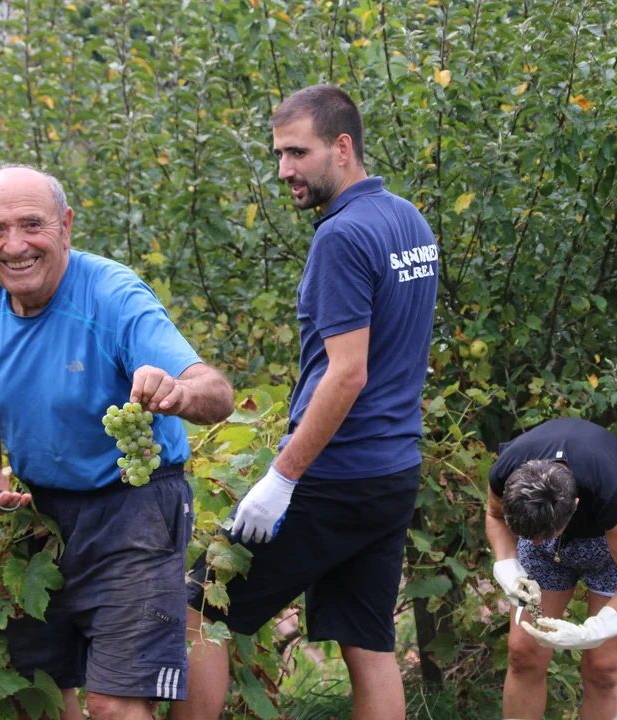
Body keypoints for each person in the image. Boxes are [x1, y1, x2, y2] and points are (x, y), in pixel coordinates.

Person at [172, 85, 438, 720]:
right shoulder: (408, 219)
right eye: (279, 154)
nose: (284, 170)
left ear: (342, 148)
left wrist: (282, 477)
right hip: (393, 472)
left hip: (334, 476)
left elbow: (346, 375)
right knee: (368, 643)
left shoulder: (341, 236)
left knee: (198, 607)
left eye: (298, 153)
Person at [0, 165, 235, 720]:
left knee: (114, 703)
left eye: (33, 224)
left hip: (133, 507)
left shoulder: (112, 294)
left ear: (67, 225)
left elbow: (216, 393)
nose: (15, 245)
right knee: (42, 695)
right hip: (39, 516)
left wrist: (177, 393)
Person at [485, 417, 617, 720]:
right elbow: (494, 515)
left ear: (575, 505)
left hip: (611, 544)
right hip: (548, 540)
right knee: (524, 654)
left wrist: (595, 630)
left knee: (603, 668)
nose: (534, 544)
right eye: (527, 537)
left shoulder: (607, 488)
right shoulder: (506, 470)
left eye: (542, 537)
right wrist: (507, 563)